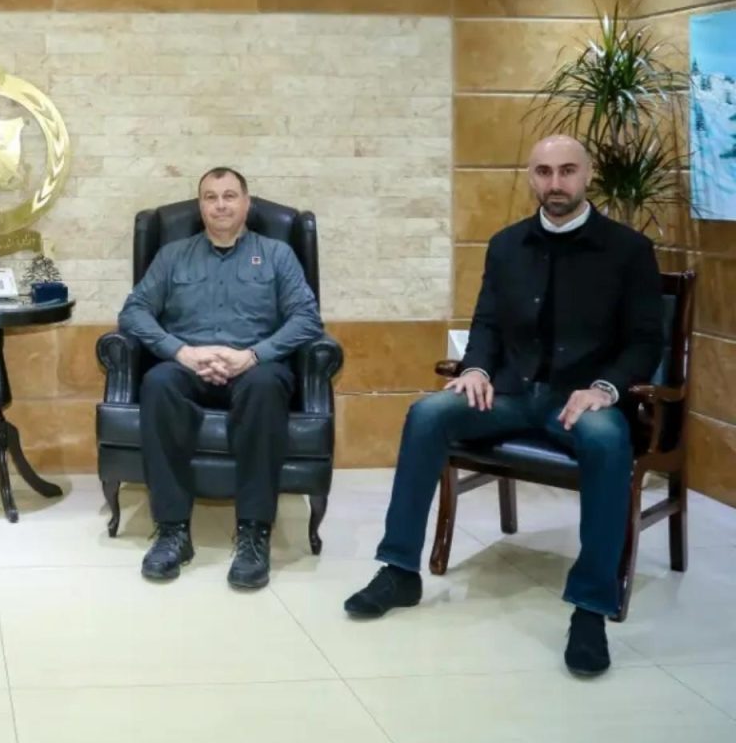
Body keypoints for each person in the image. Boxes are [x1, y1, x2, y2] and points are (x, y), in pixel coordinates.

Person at [343, 135, 664, 678]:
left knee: (609, 440)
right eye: (544, 172)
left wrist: (605, 388)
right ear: (531, 177)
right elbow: (487, 323)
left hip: (580, 401)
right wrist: (474, 369)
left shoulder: (628, 249)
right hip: (512, 395)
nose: (555, 183)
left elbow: (644, 341)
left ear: (588, 176)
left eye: (567, 171)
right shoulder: (506, 244)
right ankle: (399, 570)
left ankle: (590, 608)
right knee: (427, 414)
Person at [118, 167, 324, 589]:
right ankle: (172, 532)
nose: (220, 205)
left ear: (246, 203)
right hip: (188, 366)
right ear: (200, 207)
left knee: (265, 386)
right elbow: (133, 311)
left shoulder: (276, 255)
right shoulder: (173, 255)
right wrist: (182, 352)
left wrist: (252, 356)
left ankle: (253, 534)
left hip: (254, 368)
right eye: (210, 197)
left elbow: (307, 319)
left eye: (230, 196)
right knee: (158, 383)